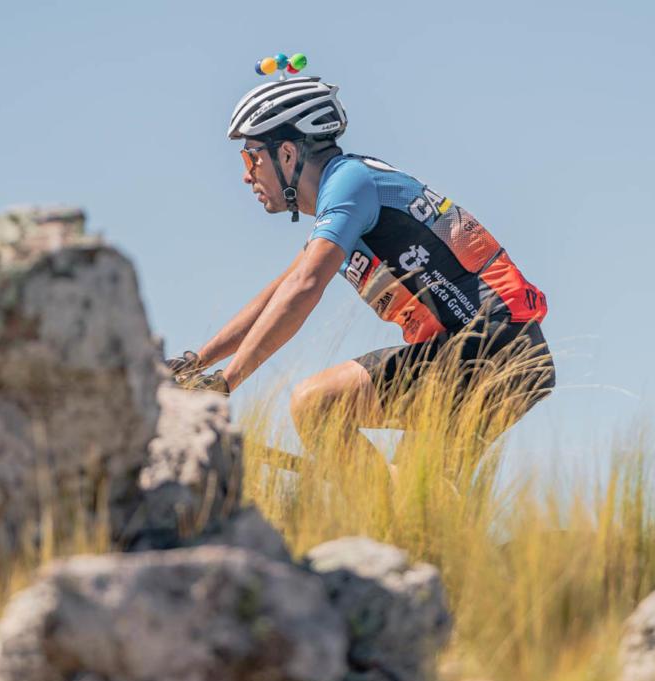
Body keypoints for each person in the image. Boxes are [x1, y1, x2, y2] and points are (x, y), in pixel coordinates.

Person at [167, 75, 555, 471]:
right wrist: (195, 363)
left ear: (286, 154)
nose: (247, 175)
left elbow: (304, 288)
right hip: (494, 349)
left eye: (251, 158)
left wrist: (225, 383)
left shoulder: (349, 185)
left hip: (492, 343)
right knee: (416, 497)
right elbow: (278, 294)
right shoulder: (344, 198)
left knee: (316, 403)